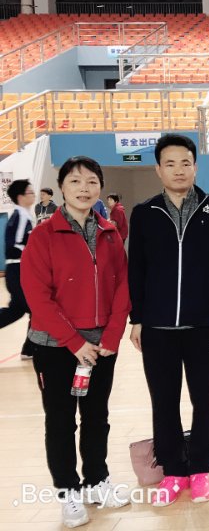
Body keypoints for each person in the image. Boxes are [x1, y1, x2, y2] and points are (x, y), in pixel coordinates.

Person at [21, 156, 131, 527]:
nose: (84, 188)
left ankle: (96, 481)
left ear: (100, 187)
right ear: (62, 188)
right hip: (55, 347)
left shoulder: (110, 233)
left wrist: (112, 334)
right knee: (61, 420)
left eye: (91, 182)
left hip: (101, 346)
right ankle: (69, 492)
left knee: (97, 417)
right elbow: (38, 297)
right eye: (75, 181)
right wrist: (73, 342)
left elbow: (122, 286)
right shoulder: (43, 235)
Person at [128, 134, 209, 507]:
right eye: (170, 163)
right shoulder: (145, 213)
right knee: (164, 401)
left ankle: (201, 469)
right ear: (158, 169)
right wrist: (137, 318)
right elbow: (136, 270)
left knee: (205, 399)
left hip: (203, 325)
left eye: (185, 163)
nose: (178, 170)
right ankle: (173, 471)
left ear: (195, 167)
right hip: (157, 328)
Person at [1, 179, 35, 359]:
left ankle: (29, 350)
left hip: (19, 270)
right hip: (17, 270)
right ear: (21, 197)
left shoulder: (25, 215)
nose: (33, 195)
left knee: (16, 310)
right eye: (30, 192)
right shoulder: (21, 216)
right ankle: (29, 350)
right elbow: (14, 246)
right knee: (37, 310)